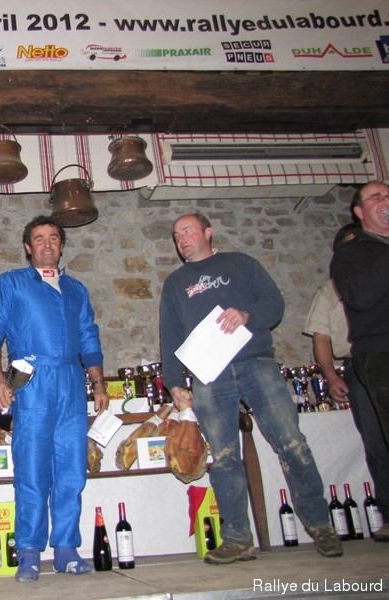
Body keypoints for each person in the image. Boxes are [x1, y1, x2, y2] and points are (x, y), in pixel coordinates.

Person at [159, 212, 342, 564]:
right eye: (176, 235)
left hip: (256, 363)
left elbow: (275, 305)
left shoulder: (241, 264)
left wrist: (246, 315)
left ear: (208, 232)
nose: (182, 239)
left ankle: (321, 525)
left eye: (188, 231)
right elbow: (169, 336)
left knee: (291, 442)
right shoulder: (175, 283)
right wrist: (173, 383)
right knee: (224, 456)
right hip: (209, 375)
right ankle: (238, 538)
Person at [0, 215, 109, 582]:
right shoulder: (9, 284)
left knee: (71, 469)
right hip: (31, 381)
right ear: (27, 246)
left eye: (53, 238)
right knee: (32, 469)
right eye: (39, 238)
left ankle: (66, 549)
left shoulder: (76, 290)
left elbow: (89, 337)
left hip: (70, 381)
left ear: (61, 245)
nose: (47, 244)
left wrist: (98, 384)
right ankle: (29, 551)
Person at [304, 222, 389, 534]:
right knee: (376, 441)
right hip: (358, 364)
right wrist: (330, 376)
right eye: (351, 246)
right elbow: (321, 337)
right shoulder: (330, 290)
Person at [330, 180, 389, 542]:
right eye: (376, 197)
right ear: (360, 211)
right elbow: (361, 297)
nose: (385, 200)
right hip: (381, 352)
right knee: (379, 441)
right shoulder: (351, 254)